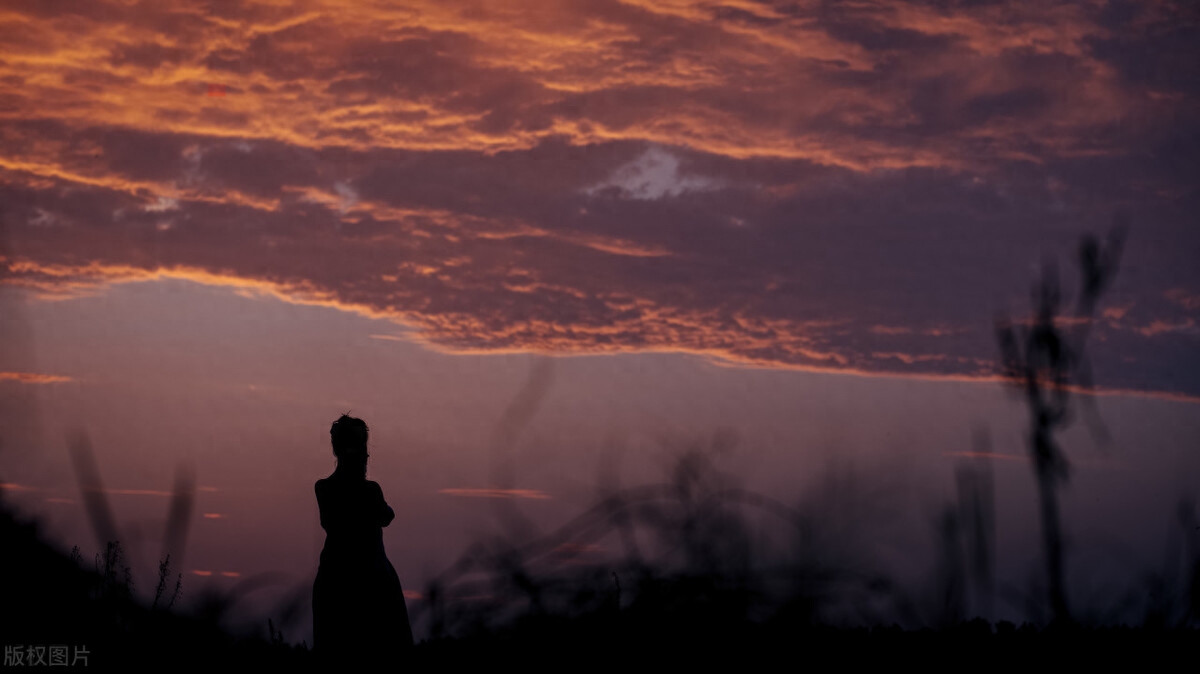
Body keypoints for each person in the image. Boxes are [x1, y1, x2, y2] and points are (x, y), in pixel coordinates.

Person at [313, 414, 413, 666]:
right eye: (359, 446)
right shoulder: (360, 491)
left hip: (350, 579)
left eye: (364, 446)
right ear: (341, 449)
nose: (365, 455)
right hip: (362, 581)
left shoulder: (328, 488)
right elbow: (385, 515)